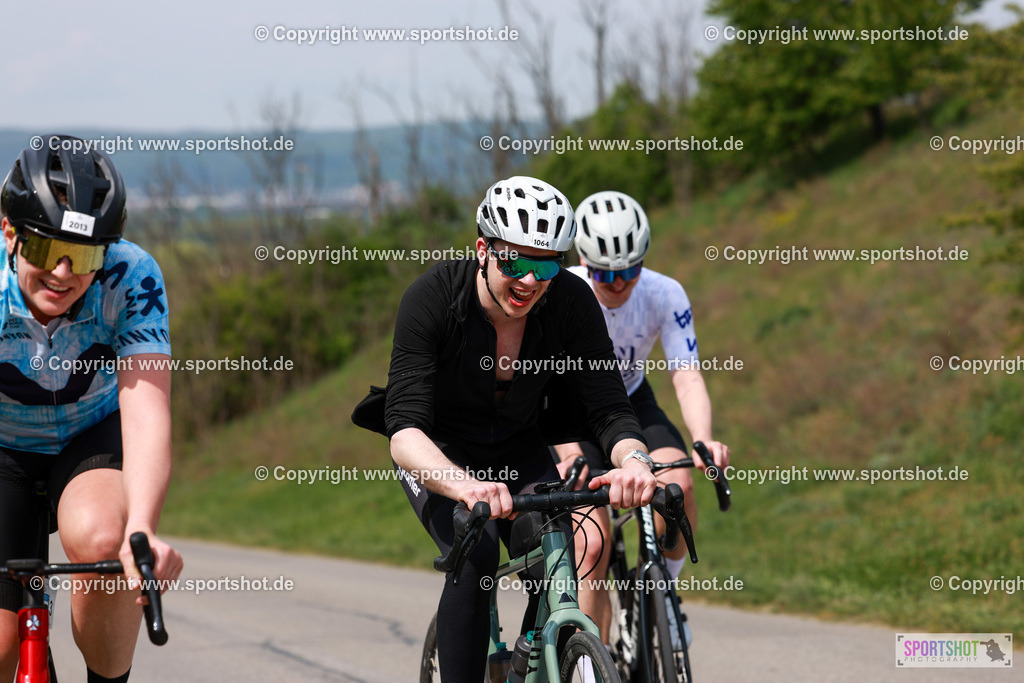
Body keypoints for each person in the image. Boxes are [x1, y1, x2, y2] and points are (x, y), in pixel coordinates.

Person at [378, 176, 657, 681]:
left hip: (519, 446)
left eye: (546, 264)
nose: (530, 281)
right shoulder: (432, 299)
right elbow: (404, 431)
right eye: (516, 262)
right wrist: (463, 484)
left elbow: (610, 408)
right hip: (439, 453)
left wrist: (635, 463)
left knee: (553, 553)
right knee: (477, 548)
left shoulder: (570, 301)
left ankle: (531, 658)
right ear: (483, 249)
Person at [0, 135, 183, 682]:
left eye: (81, 256)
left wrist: (143, 530)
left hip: (89, 436)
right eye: (43, 250)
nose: (61, 273)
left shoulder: (131, 275)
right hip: (3, 447)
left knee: (105, 539)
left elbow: (146, 412)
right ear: (9, 231)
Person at [552, 190, 731, 645]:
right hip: (570, 412)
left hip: (629, 401)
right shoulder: (560, 293)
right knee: (591, 541)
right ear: (582, 259)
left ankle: (662, 595)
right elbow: (546, 383)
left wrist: (704, 438)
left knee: (680, 485)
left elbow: (686, 376)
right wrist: (569, 452)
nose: (617, 284)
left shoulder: (663, 293)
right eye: (604, 273)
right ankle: (594, 658)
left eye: (628, 271)